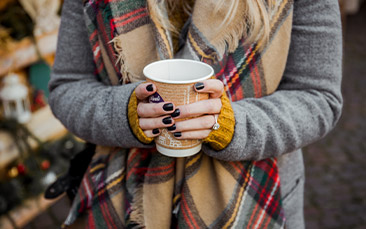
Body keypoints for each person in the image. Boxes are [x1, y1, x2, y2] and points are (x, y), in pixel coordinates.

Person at [49, 0, 342, 228]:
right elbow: (67, 87)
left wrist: (232, 126)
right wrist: (125, 114)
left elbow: (318, 97)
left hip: (254, 203)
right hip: (123, 205)